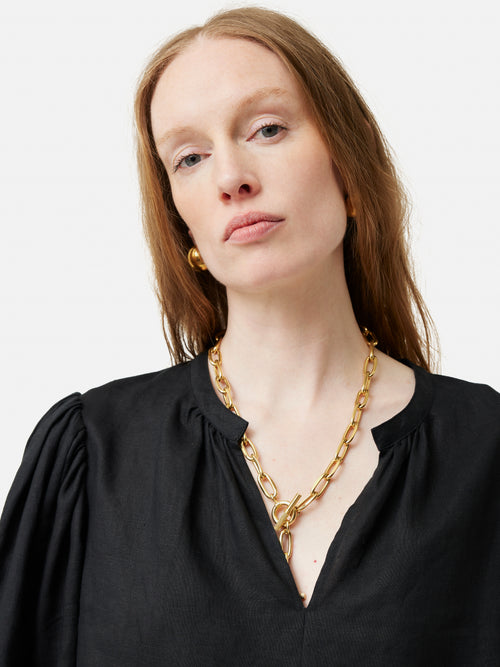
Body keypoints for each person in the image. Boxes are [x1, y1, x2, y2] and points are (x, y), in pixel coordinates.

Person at [0, 6, 499, 666]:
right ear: (182, 223)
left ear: (348, 169)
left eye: (267, 129)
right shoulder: (92, 457)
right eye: (190, 157)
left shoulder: (486, 450)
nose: (231, 177)